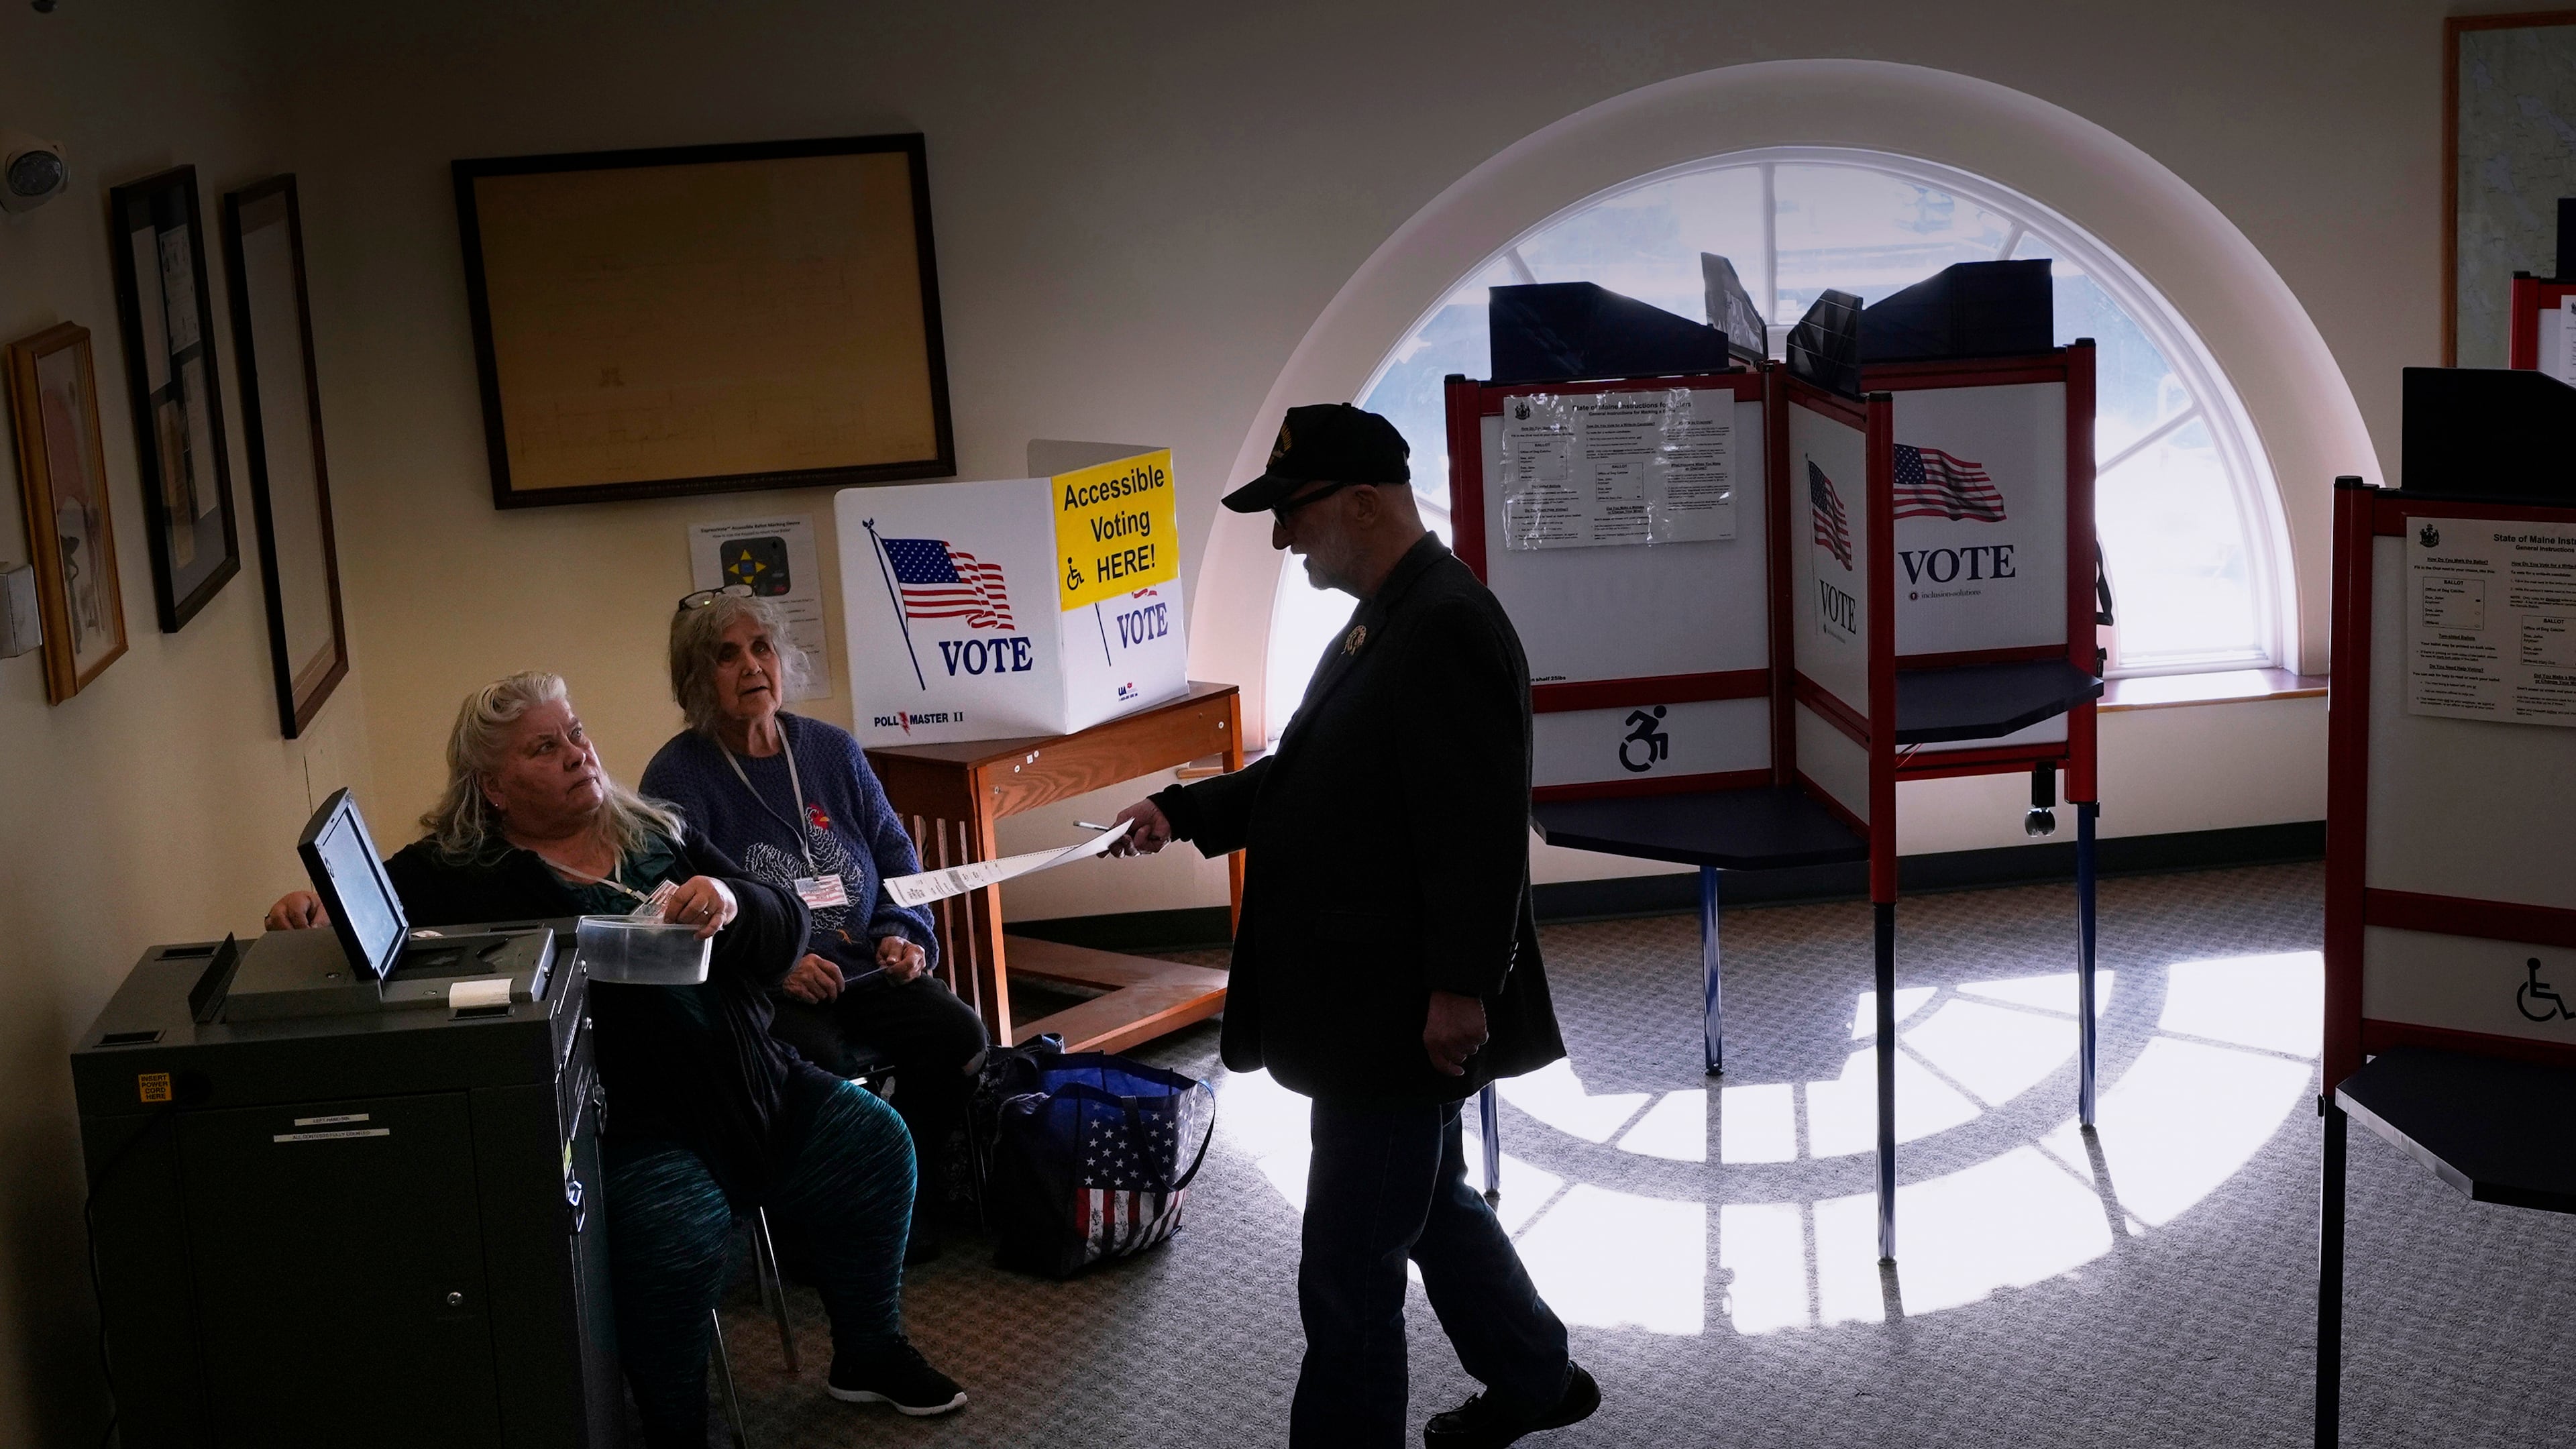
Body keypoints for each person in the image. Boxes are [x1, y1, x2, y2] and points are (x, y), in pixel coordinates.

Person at [264, 672, 965, 1446]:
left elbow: (786, 928)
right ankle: (674, 1426)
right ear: (494, 788)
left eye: (575, 732)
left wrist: (735, 902)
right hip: (632, 1123)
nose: (577, 753)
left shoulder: (655, 833)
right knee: (679, 1230)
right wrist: (313, 913)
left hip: (750, 1084)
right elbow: (370, 917)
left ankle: (866, 1352)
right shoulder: (461, 875)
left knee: (877, 1146)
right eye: (545, 747)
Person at [1102, 405, 1595, 1449]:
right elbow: (1318, 773)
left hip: (1401, 1011)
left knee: (1348, 1262)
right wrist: (1185, 812)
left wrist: (1461, 989)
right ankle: (1535, 1374)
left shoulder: (1445, 624)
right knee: (1429, 1203)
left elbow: (1479, 832)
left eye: (1294, 513)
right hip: (1370, 1000)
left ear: (1362, 503)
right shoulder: (1390, 612)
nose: (1283, 538)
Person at [641, 588, 989, 1258]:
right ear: (696, 680)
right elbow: (675, 905)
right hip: (769, 989)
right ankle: (818, 1218)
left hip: (870, 966)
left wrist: (903, 932)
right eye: (727, 655)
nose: (751, 667)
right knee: (821, 1070)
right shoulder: (679, 776)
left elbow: (895, 852)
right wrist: (775, 967)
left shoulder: (830, 750)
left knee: (959, 1035)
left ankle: (897, 1193)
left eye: (762, 647)